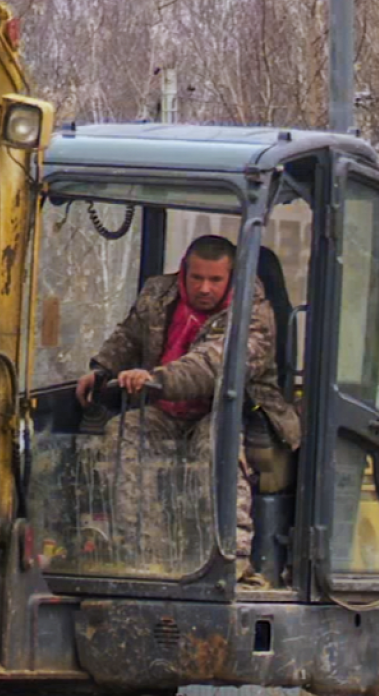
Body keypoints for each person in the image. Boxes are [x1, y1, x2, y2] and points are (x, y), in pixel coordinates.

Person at [74, 235, 301, 570]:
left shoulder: (253, 314)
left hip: (227, 410)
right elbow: (129, 335)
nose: (205, 288)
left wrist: (157, 380)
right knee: (123, 432)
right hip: (166, 409)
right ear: (184, 272)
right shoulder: (158, 294)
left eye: (215, 280)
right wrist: (101, 368)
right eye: (197, 278)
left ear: (232, 277)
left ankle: (230, 560)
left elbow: (213, 364)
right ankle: (147, 557)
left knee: (218, 444)